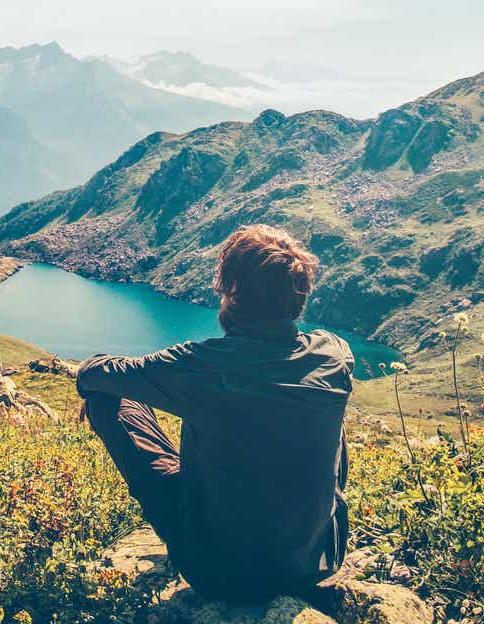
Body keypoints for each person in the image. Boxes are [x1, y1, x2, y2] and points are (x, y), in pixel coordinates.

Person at [76, 224, 352, 605]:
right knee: (322, 412)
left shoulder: (201, 366)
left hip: (222, 573)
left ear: (232, 293)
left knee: (110, 397)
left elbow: (93, 374)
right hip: (318, 560)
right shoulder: (335, 355)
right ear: (299, 296)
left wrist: (96, 390)